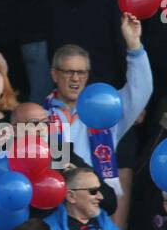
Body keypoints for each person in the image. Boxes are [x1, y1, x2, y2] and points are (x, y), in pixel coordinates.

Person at [43, 21, 151, 214]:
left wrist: (135, 47)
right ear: (54, 74)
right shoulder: (40, 114)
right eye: (69, 71)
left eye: (81, 72)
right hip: (53, 203)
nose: (75, 78)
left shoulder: (104, 111)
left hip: (95, 204)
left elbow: (140, 91)